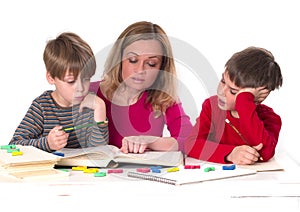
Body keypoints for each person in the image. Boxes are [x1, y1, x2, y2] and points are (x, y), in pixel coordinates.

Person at [90, 21, 192, 153]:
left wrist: (151, 141)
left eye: (151, 63)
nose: (140, 70)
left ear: (162, 68)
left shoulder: (163, 98)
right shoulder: (90, 92)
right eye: (133, 60)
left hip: (145, 174)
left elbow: (190, 139)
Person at [10, 32, 108, 152]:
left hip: (81, 170)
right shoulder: (42, 107)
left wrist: (100, 109)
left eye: (86, 79)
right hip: (49, 170)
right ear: (51, 78)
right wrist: (47, 143)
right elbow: (14, 145)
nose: (81, 88)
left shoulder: (90, 105)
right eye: (71, 81)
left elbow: (98, 152)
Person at [185, 46, 283, 165]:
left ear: (255, 98)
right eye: (223, 81)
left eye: (233, 91)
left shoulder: (270, 118)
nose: (222, 91)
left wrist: (244, 102)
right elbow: (191, 144)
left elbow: (265, 153)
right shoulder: (211, 107)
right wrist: (230, 154)